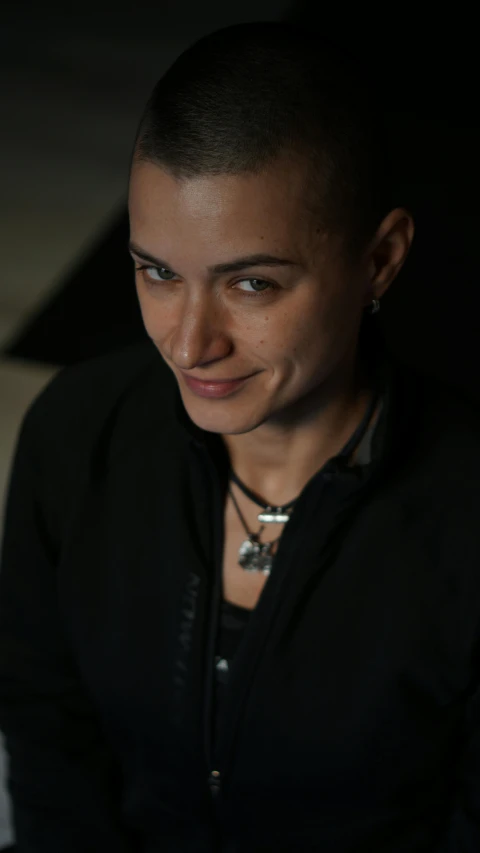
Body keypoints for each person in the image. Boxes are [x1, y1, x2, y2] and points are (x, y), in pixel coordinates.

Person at [1, 20, 480, 853]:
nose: (189, 345)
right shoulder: (77, 433)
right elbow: (49, 741)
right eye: (158, 271)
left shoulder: (467, 510)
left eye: (251, 283)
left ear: (381, 260)